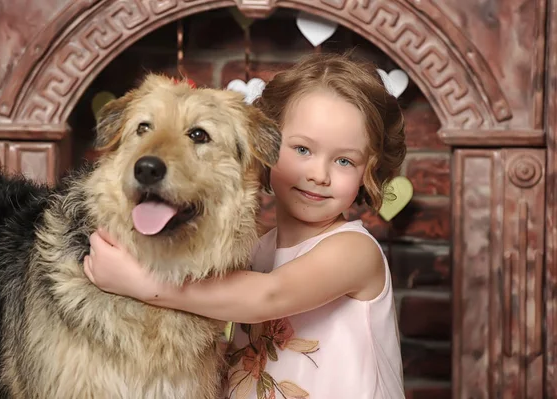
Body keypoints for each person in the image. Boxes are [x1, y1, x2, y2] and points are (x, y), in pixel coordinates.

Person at [84, 52, 407, 399]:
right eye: (301, 149)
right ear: (261, 147)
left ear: (368, 173)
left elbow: (269, 296)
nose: (318, 174)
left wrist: (139, 282)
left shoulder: (355, 251)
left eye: (344, 160)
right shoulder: (255, 250)